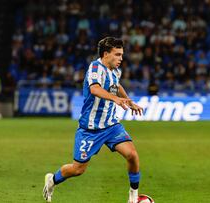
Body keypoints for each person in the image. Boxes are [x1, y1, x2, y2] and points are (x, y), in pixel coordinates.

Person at [43, 37, 143, 203]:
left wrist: (128, 100)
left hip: (111, 126)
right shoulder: (95, 68)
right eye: (117, 54)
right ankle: (52, 180)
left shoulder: (116, 70)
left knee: (132, 155)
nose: (121, 58)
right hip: (90, 129)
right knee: (78, 169)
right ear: (106, 54)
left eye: (122, 54)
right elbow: (95, 89)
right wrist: (115, 99)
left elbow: (116, 85)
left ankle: (133, 196)